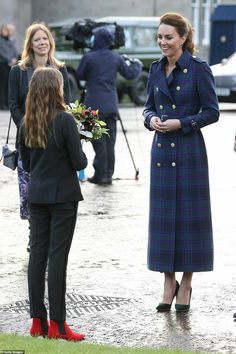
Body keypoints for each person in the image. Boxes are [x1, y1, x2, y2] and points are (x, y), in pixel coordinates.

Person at [143, 12, 219, 312]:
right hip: (162, 153)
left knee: (190, 222)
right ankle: (167, 281)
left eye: (168, 37)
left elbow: (212, 112)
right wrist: (152, 122)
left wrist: (181, 123)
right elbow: (148, 107)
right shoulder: (155, 69)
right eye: (159, 37)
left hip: (189, 153)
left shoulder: (199, 69)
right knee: (163, 222)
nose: (163, 42)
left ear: (183, 38)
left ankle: (186, 282)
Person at [19, 67, 87, 340]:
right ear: (56, 89)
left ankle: (37, 320)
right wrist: (82, 141)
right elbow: (78, 162)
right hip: (63, 198)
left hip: (37, 196)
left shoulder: (27, 122)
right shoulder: (65, 121)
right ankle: (58, 325)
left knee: (37, 257)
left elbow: (25, 162)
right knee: (57, 259)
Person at [9, 22, 70, 251]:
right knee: (30, 190)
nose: (42, 43)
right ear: (30, 44)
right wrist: (28, 126)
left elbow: (67, 104)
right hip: (28, 140)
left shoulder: (60, 69)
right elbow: (13, 104)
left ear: (50, 42)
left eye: (45, 39)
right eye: (37, 39)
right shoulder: (19, 71)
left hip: (55, 142)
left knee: (54, 189)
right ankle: (34, 234)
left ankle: (51, 233)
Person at [76, 27, 142, 185]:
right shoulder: (116, 57)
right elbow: (130, 74)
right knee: (110, 141)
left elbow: (80, 75)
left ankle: (100, 174)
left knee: (97, 141)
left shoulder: (89, 57)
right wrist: (137, 64)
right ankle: (108, 174)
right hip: (111, 106)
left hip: (91, 106)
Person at [0, 24, 18, 109]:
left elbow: (14, 51)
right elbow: (1, 52)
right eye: (4, 30)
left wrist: (14, 59)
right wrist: (9, 59)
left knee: (8, 84)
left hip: (10, 65)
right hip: (3, 65)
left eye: (7, 31)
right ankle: (2, 103)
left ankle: (7, 103)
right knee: (3, 85)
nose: (6, 32)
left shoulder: (10, 41)